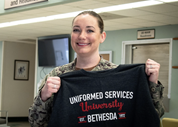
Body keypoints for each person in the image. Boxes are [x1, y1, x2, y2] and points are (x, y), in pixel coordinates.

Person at [28, 11, 164, 126]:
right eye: (76, 30)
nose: (82, 36)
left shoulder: (118, 76)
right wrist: (44, 96)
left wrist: (153, 83)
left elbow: (152, 116)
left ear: (102, 36)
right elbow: (35, 122)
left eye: (90, 30)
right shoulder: (57, 76)